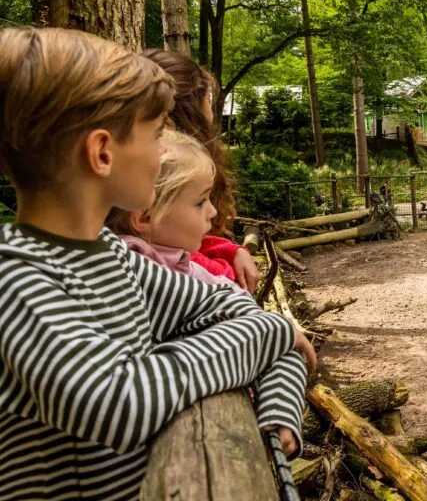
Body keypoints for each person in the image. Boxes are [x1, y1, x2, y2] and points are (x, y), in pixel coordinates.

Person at [0, 27, 314, 500]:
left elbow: (234, 309)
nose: (165, 149)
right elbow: (119, 403)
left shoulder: (113, 258)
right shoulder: (17, 282)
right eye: (154, 135)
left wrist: (276, 409)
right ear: (102, 153)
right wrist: (273, 333)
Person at [141, 49, 258, 294]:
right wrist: (225, 272)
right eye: (209, 101)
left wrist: (228, 249)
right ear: (191, 110)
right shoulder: (157, 170)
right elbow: (175, 259)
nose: (212, 113)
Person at [107, 130, 247, 296]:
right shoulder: (135, 265)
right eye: (200, 202)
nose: (213, 211)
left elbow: (223, 288)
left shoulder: (173, 258)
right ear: (146, 218)